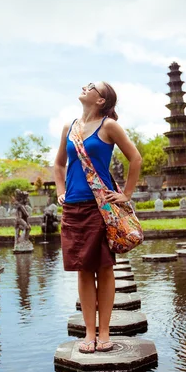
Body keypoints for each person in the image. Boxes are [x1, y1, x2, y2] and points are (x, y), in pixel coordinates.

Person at [54, 81, 142, 353]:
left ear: (101, 100)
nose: (85, 86)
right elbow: (58, 164)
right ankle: (89, 334)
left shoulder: (109, 126)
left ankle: (105, 333)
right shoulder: (69, 128)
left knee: (104, 268)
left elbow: (135, 158)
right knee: (82, 268)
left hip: (100, 207)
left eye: (92, 86)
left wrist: (126, 194)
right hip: (74, 208)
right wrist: (61, 191)